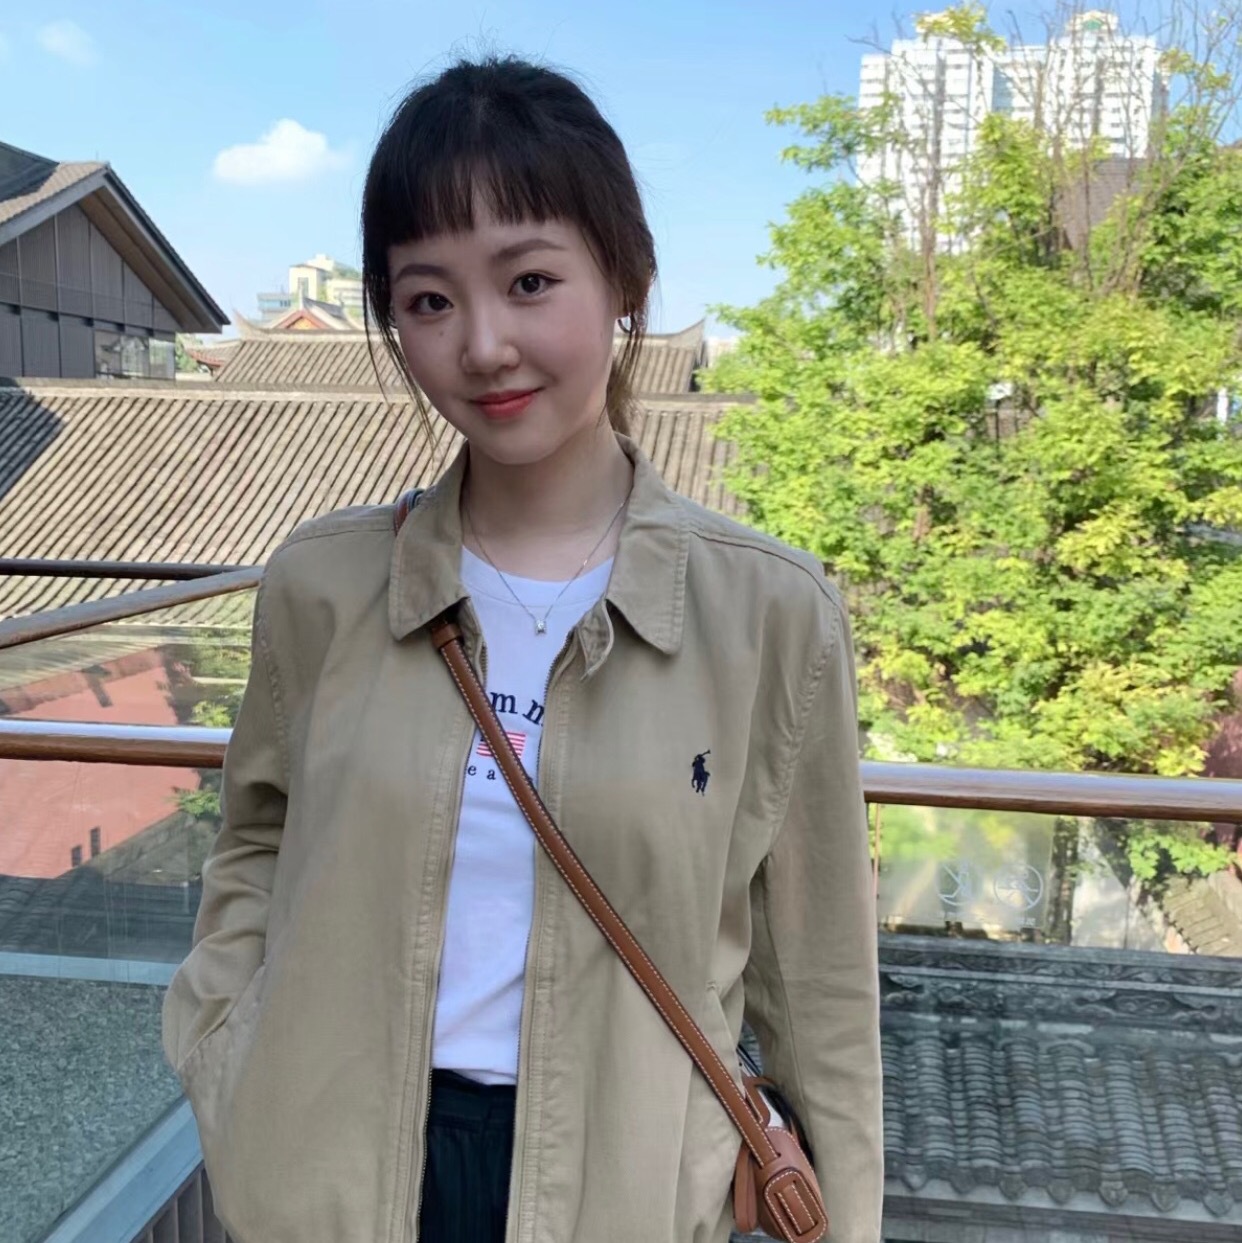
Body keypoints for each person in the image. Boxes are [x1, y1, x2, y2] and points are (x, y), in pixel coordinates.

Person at [162, 55, 882, 1243]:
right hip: (333, 1167)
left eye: (530, 280)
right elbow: (255, 843)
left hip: (627, 1183)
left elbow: (820, 983)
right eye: (429, 300)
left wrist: (844, 1221)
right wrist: (226, 1052)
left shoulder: (767, 612)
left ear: (625, 280)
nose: (484, 344)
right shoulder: (323, 585)